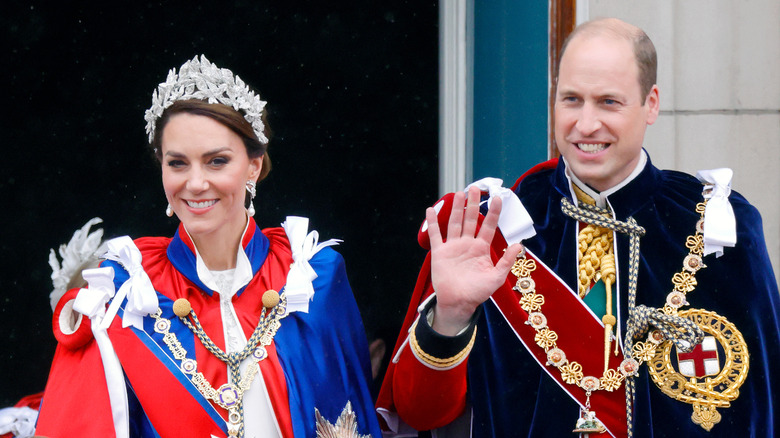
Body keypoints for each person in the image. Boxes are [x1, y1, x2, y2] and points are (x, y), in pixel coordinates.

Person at [377, 18, 780, 437]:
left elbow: (763, 407)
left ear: (652, 103)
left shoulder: (719, 227)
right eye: (572, 100)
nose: (586, 125)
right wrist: (451, 315)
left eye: (608, 102)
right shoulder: (489, 229)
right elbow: (421, 413)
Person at [35, 55, 381, 438]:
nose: (196, 183)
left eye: (216, 161)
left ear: (254, 166)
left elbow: (355, 413)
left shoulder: (313, 276)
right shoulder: (122, 295)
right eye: (178, 163)